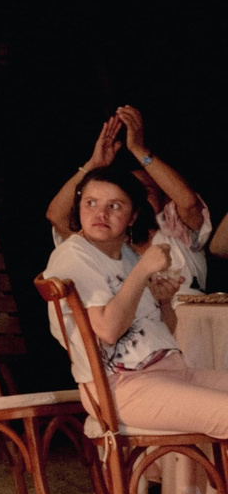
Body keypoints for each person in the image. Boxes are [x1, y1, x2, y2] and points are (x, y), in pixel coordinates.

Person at [45, 167, 228, 437]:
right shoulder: (74, 256)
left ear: (133, 216)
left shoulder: (126, 255)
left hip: (170, 372)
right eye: (91, 203)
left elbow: (164, 332)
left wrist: (164, 302)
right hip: (120, 387)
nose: (101, 214)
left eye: (114, 206)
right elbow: (107, 330)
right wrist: (143, 271)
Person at [46, 106, 221, 289]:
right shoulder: (105, 241)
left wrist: (139, 150)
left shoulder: (177, 233)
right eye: (129, 196)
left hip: (193, 316)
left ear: (164, 200)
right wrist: (93, 166)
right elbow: (56, 216)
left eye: (146, 191)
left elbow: (189, 203)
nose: (139, 198)